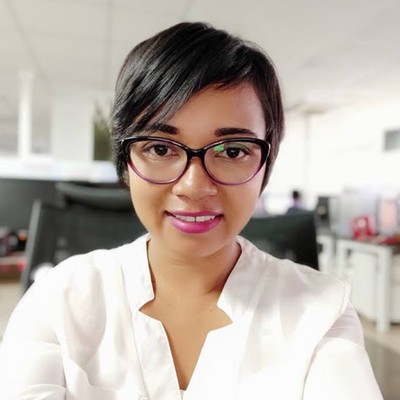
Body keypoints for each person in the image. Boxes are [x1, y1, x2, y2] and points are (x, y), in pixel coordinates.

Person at [0, 22, 382, 400]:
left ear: (266, 165)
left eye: (232, 151)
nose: (194, 187)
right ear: (125, 162)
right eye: (160, 148)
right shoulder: (60, 299)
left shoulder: (320, 312)